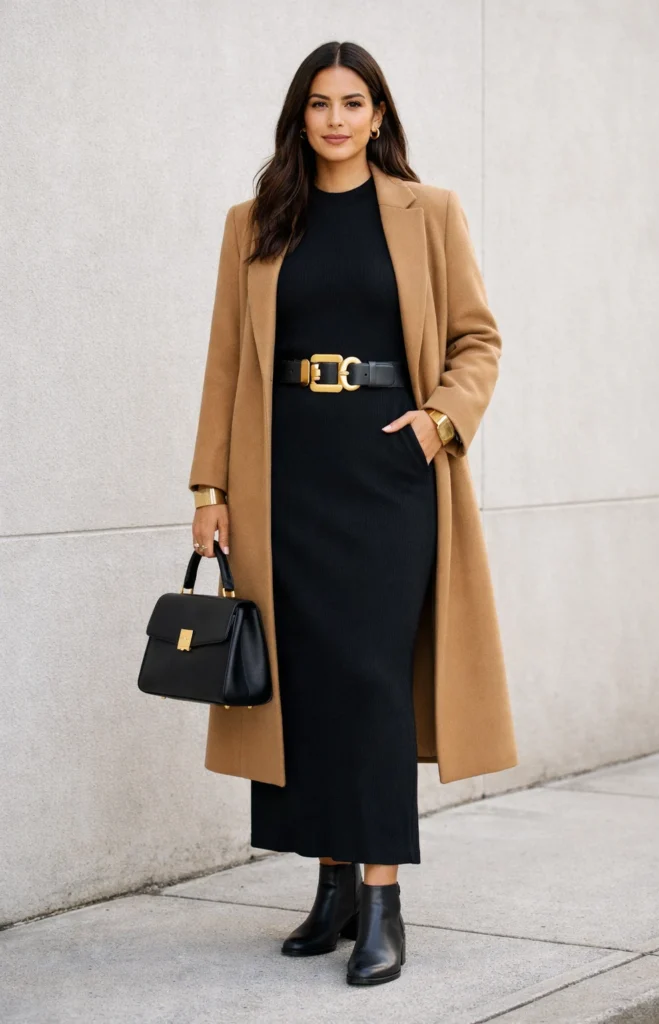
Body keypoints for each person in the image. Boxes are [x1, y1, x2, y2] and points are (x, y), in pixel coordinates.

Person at [188, 41, 518, 987]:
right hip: (282, 478)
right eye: (320, 103)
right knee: (313, 682)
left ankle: (382, 895)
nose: (336, 118)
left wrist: (437, 424)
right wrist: (209, 492)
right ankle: (331, 886)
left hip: (386, 478)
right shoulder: (254, 222)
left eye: (354, 102)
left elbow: (477, 340)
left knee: (371, 680)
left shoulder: (428, 213)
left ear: (379, 115)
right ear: (300, 116)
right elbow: (223, 365)